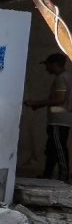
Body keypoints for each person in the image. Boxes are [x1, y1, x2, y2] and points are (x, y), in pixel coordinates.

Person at [25, 53, 72, 182]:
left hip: (60, 120)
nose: (46, 69)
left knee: (59, 147)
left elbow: (59, 99)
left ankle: (63, 176)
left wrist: (35, 103)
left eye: (47, 65)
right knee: (51, 148)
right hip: (59, 119)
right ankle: (47, 174)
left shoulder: (61, 78)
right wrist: (38, 106)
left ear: (54, 64)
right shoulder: (67, 77)